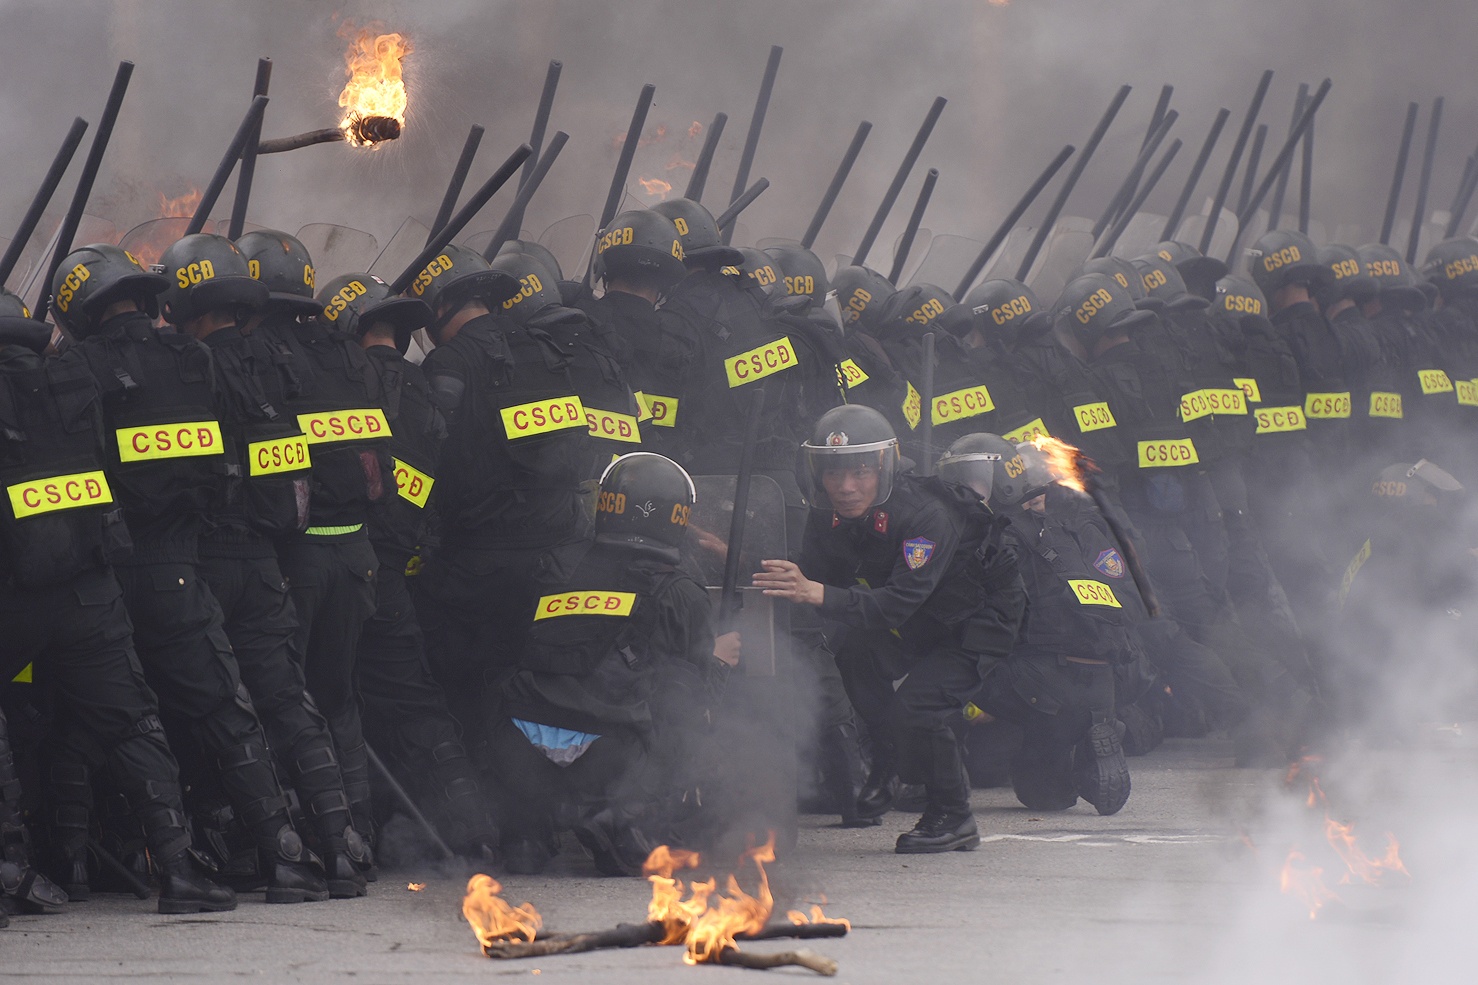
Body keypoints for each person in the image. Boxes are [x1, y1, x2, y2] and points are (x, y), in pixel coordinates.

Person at [54, 240, 326, 903]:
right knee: (223, 710)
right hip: (183, 567)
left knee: (108, 719)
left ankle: (85, 866)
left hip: (107, 575)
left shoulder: (77, 366)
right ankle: (283, 856)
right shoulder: (193, 358)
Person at [0, 301, 233, 913]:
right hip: (87, 588)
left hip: (10, 595)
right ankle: (179, 869)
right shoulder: (72, 377)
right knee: (132, 721)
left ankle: (11, 866)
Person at [753, 404, 1025, 853]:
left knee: (919, 707)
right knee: (856, 656)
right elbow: (814, 574)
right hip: (921, 616)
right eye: (833, 472)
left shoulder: (925, 515)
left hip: (977, 619)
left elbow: (895, 603)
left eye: (860, 472)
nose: (845, 487)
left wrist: (814, 592)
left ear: (884, 468)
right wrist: (750, 562)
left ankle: (953, 815)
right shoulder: (828, 514)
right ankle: (888, 762)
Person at [315, 272, 500, 859]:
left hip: (338, 560)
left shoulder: (336, 382)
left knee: (326, 699)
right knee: (415, 700)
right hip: (396, 573)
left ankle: (349, 835)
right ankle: (472, 826)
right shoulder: (428, 389)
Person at [489, 452, 737, 874]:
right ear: (679, 517)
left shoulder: (553, 567)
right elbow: (692, 697)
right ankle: (625, 824)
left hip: (518, 746)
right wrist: (720, 661)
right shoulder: (681, 593)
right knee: (682, 693)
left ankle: (524, 833)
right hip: (608, 756)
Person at [238, 230, 393, 879]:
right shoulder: (345, 352)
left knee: (283, 697)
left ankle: (302, 836)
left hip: (294, 558)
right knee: (338, 695)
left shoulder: (250, 355)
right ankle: (358, 834)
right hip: (355, 553)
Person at [937, 433, 1132, 815]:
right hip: (1105, 681)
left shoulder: (996, 536)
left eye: (973, 481)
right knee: (1043, 795)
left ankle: (928, 783)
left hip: (1042, 679)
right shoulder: (1076, 525)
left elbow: (974, 618)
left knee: (939, 664)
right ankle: (1090, 739)